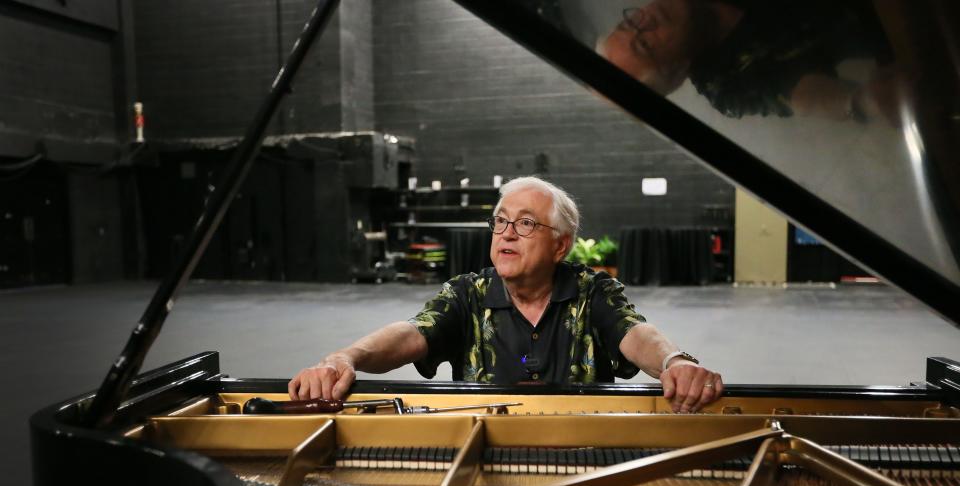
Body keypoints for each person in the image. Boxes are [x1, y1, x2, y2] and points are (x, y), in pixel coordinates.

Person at [289, 176, 723, 413]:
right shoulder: (468, 294)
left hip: (585, 461)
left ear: (561, 244)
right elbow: (408, 334)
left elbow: (635, 333)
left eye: (526, 223)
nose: (507, 233)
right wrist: (345, 358)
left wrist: (674, 361)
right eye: (500, 221)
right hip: (482, 460)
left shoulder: (593, 292)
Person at [598, 0, 898, 122]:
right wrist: (861, 102)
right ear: (675, 72)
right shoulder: (727, 82)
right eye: (646, 43)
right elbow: (801, 94)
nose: (646, 20)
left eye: (630, 23)